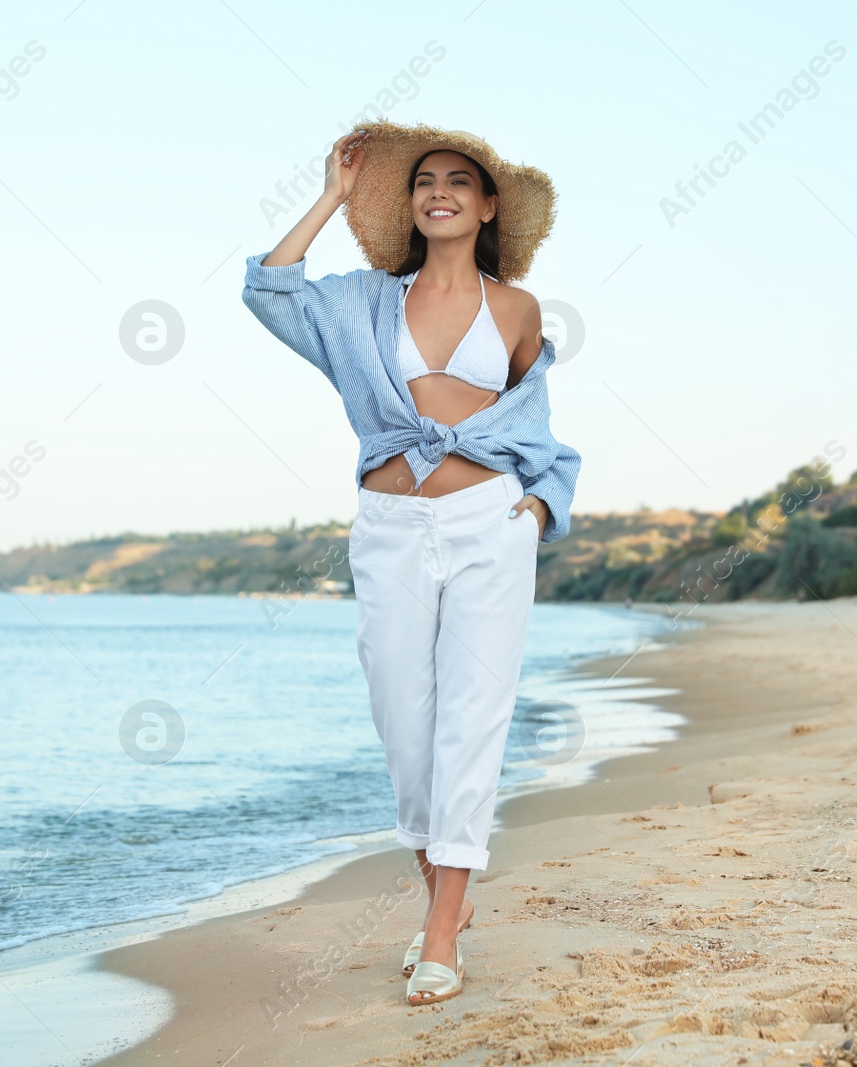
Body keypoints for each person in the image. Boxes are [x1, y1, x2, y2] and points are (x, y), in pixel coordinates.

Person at [240, 121, 579, 1006]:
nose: (440, 191)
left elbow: (535, 429)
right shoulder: (359, 304)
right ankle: (445, 894)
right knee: (401, 712)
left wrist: (538, 504)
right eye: (424, 180)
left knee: (473, 714)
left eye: (459, 182)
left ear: (489, 204)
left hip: (487, 521)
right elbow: (270, 290)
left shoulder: (517, 312)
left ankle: (440, 929)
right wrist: (332, 196)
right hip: (390, 523)